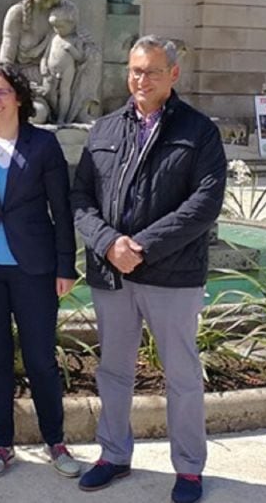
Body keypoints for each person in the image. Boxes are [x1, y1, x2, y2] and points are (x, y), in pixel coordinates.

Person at [71, 35, 226, 503]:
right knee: (113, 371)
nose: (142, 80)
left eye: (153, 71)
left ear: (173, 75)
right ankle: (113, 455)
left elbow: (204, 204)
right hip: (112, 274)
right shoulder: (103, 129)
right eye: (136, 71)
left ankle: (189, 469)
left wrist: (140, 246)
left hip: (171, 275)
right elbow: (80, 198)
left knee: (181, 374)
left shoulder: (199, 131)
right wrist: (107, 243)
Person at [0, 62, 80, 480]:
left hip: (35, 269)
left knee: (41, 358)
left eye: (2, 92)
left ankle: (55, 441)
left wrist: (66, 265)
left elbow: (61, 209)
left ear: (19, 98)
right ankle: (1, 446)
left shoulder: (43, 145)